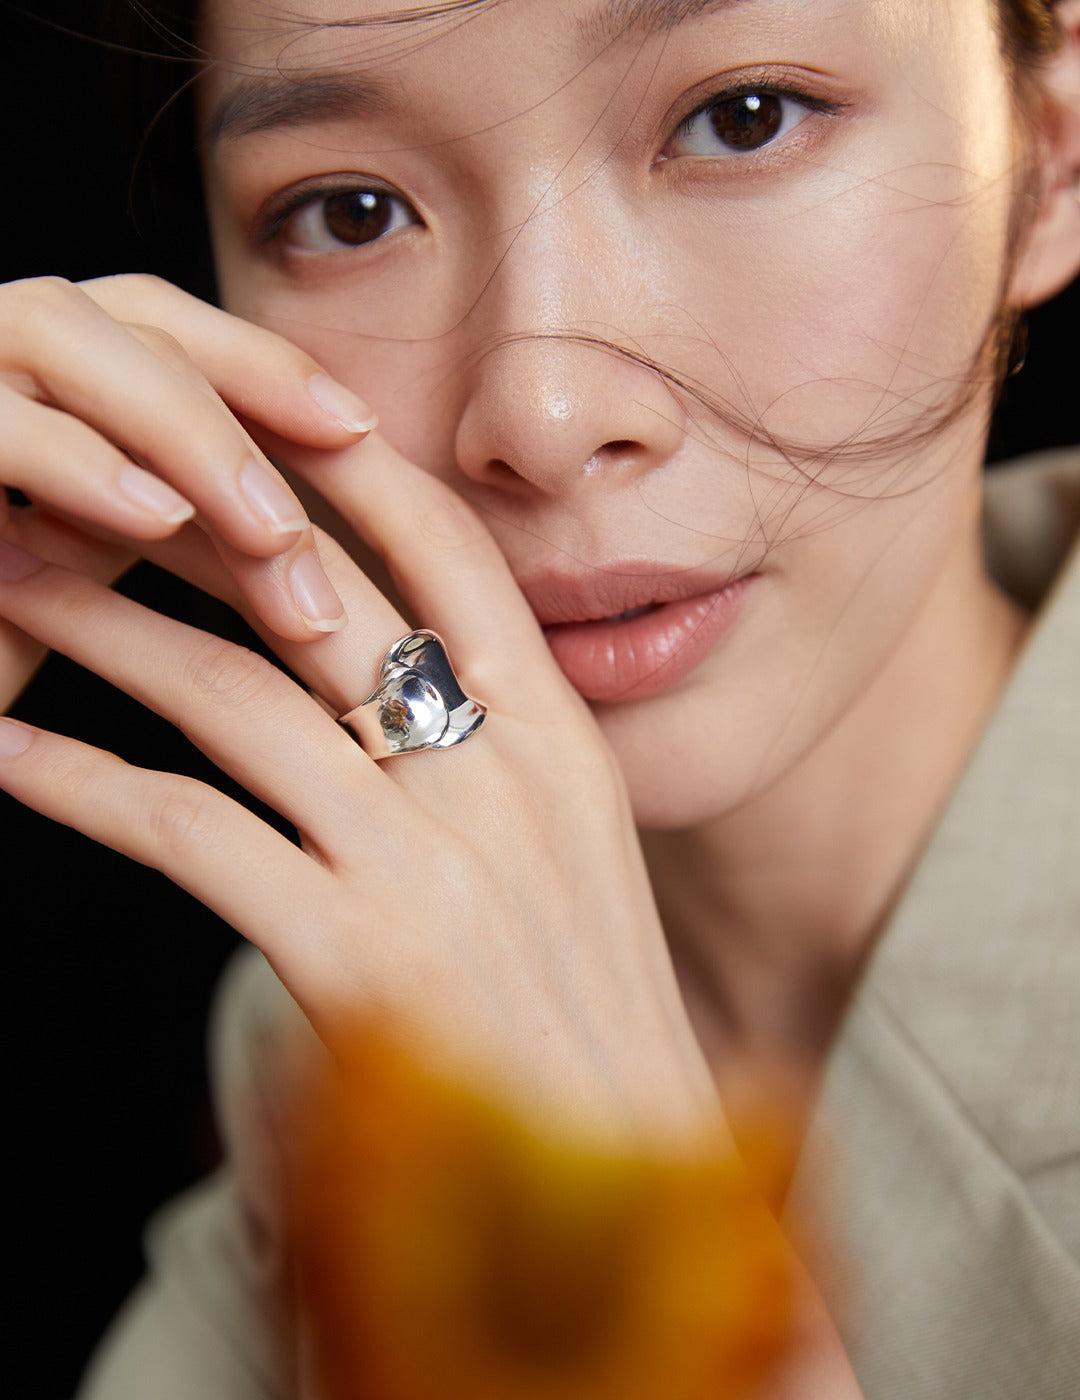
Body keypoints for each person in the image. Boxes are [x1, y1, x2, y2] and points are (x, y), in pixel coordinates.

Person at [1, 0, 1078, 1395]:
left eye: (741, 117)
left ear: (1050, 147)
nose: (542, 416)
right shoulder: (355, 1016)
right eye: (350, 210)